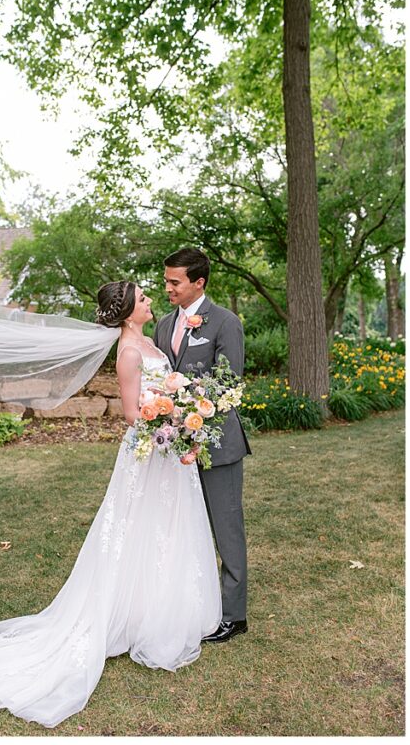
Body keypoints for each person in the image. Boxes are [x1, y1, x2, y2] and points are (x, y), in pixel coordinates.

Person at [0, 277, 222, 728]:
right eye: (143, 297)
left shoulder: (149, 342)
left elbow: (162, 392)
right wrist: (173, 419)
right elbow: (131, 414)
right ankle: (127, 615)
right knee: (138, 528)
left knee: (165, 529)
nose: (150, 300)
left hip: (168, 453)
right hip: (150, 453)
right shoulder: (129, 353)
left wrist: (183, 411)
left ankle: (155, 611)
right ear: (128, 310)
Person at [156, 248, 251, 643]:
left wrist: (188, 409)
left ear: (199, 282)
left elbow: (229, 384)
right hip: (175, 447)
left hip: (217, 444)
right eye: (166, 280)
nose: (167, 288)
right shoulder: (163, 325)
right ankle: (190, 603)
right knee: (182, 526)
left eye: (174, 282)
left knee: (226, 527)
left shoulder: (226, 322)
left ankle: (234, 615)